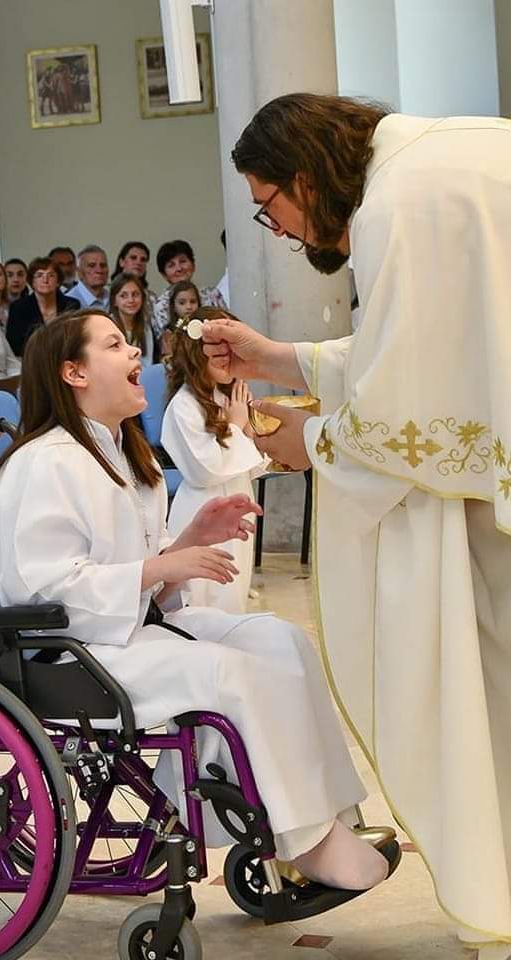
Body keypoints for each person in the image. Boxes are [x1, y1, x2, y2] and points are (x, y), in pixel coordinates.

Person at [202, 92, 511, 959]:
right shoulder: (438, 157)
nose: (279, 230)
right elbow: (427, 352)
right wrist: (282, 359)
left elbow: (404, 407)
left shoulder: (397, 206)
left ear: (304, 176)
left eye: (270, 206)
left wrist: (310, 441)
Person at [0, 308, 391, 891]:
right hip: (64, 654)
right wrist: (160, 566)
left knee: (282, 641)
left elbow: (143, 582)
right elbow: (41, 589)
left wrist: (188, 543)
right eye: (114, 345)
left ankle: (332, 815)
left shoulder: (126, 454)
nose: (135, 355)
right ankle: (304, 841)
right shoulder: (43, 462)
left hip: (124, 632)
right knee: (229, 672)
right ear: (73, 373)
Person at [162, 307, 267, 613]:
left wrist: (250, 429)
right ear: (198, 354)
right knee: (202, 597)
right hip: (202, 510)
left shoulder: (227, 398)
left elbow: (252, 463)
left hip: (237, 500)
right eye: (219, 353)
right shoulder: (183, 405)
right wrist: (236, 426)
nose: (229, 359)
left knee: (232, 589)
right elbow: (204, 470)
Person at [152, 239, 226, 344]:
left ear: (193, 265)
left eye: (183, 261)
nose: (179, 268)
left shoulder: (212, 294)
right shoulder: (161, 304)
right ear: (164, 274)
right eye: (171, 265)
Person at [5, 256, 80, 357]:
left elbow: (76, 340)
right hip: (31, 359)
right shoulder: (18, 308)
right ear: (32, 282)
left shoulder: (72, 305)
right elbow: (15, 345)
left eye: (51, 275)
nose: (45, 280)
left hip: (65, 358)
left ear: (58, 281)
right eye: (39, 275)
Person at [108, 271, 156, 367]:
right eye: (123, 296)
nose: (131, 300)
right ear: (114, 301)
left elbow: (147, 362)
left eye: (135, 294)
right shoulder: (107, 326)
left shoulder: (146, 327)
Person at [161, 279, 201, 357]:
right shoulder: (169, 333)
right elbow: (168, 357)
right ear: (174, 307)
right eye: (182, 303)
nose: (189, 307)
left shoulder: (203, 327)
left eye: (193, 302)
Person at [66, 244, 110, 309]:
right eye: (92, 266)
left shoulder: (114, 298)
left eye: (103, 265)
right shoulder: (68, 302)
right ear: (79, 271)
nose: (99, 270)